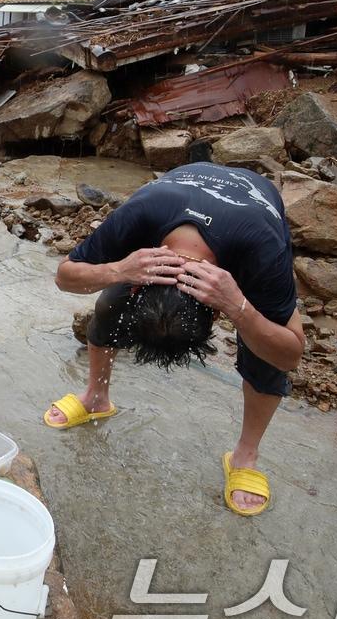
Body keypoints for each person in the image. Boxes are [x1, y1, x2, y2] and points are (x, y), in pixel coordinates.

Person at [49, 162, 305, 517]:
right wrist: (119, 270)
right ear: (140, 284)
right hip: (182, 183)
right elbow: (65, 276)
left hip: (254, 199)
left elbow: (290, 354)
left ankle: (245, 457)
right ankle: (95, 398)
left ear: (214, 313)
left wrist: (239, 306)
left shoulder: (262, 248)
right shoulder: (140, 214)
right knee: (110, 303)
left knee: (264, 348)